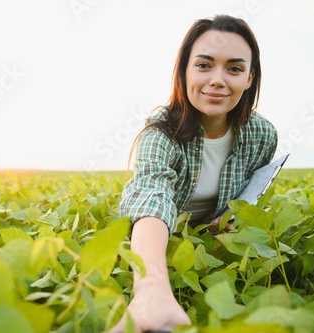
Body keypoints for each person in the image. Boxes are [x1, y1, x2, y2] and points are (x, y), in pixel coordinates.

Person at [109, 14, 278, 333]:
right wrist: (151, 288)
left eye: (234, 68)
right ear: (184, 71)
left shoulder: (263, 135)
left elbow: (252, 191)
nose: (217, 79)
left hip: (211, 242)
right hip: (160, 238)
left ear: (250, 78)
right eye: (204, 65)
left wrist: (233, 218)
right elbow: (151, 197)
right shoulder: (161, 131)